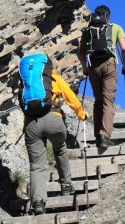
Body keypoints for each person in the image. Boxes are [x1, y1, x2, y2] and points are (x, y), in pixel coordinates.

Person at [23, 67, 87, 215]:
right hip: (54, 119)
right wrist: (82, 114)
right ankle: (65, 185)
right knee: (59, 149)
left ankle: (38, 202)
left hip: (31, 124)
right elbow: (71, 98)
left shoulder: (28, 81)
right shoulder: (55, 78)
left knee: (37, 165)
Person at [78, 5, 125, 148]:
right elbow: (124, 49)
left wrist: (85, 68)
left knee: (98, 101)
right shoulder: (116, 27)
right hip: (109, 64)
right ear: (108, 15)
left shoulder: (88, 30)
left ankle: (96, 134)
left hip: (93, 66)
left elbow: (81, 52)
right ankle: (104, 136)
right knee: (108, 101)